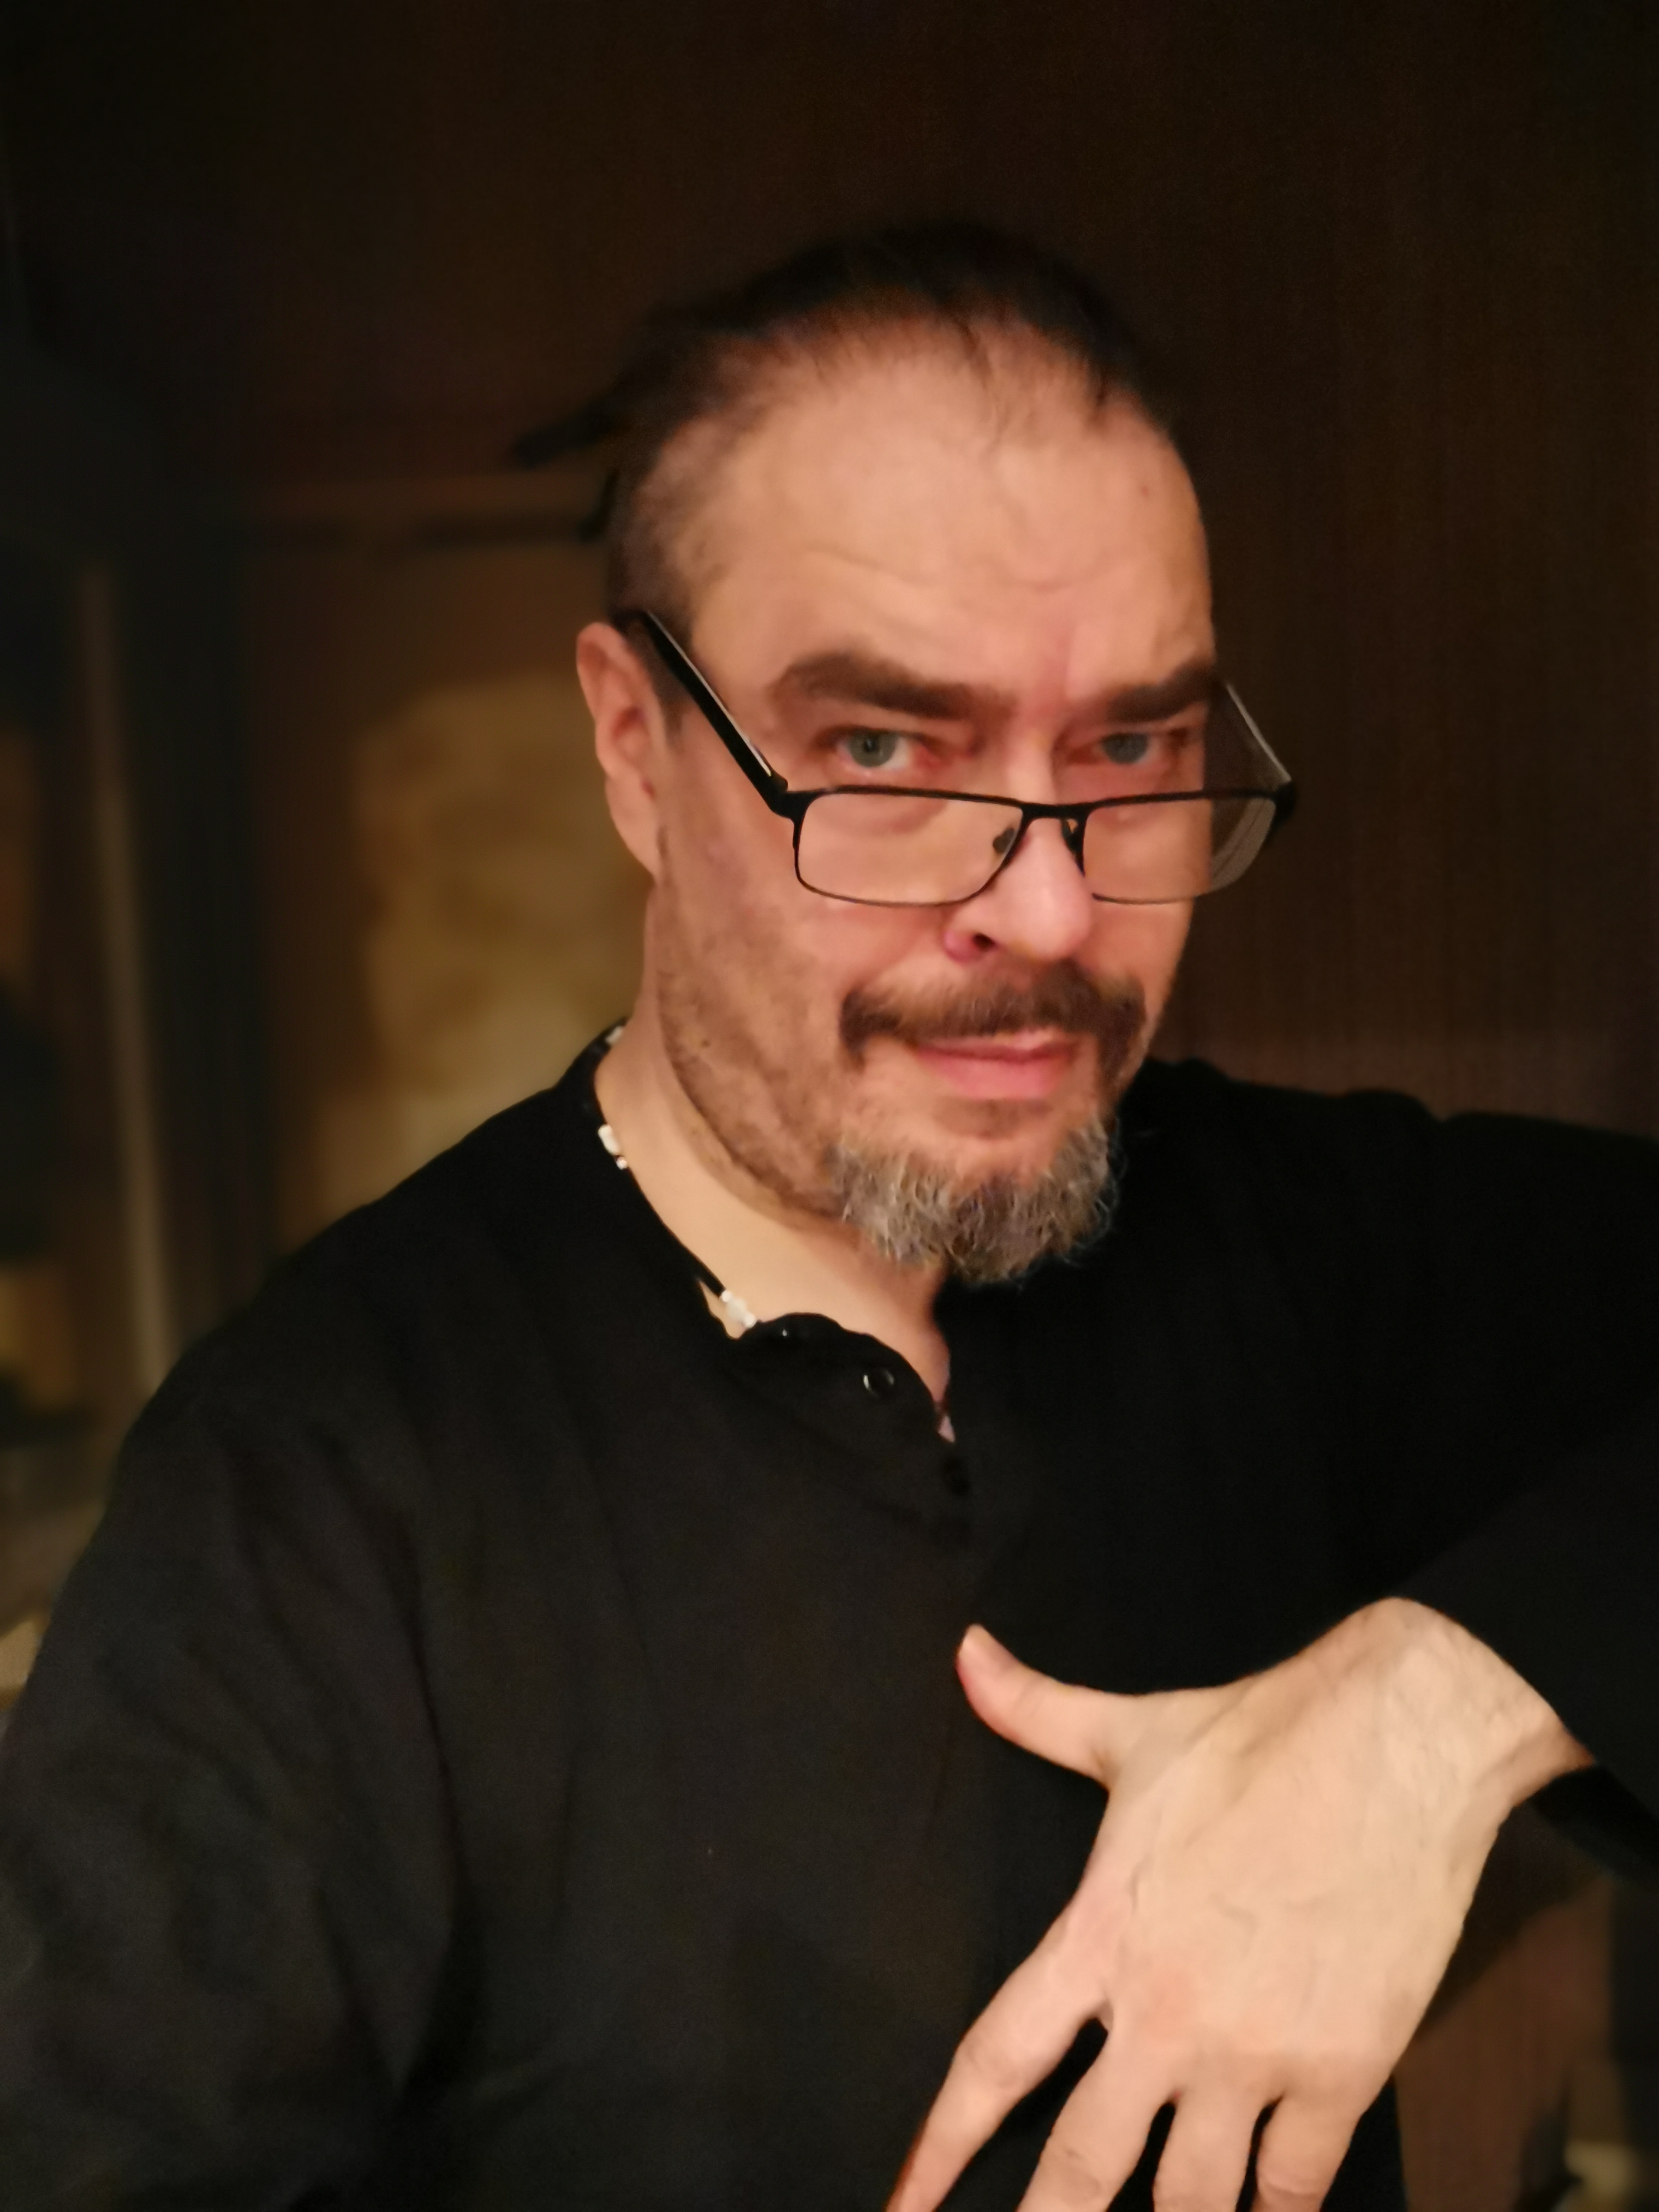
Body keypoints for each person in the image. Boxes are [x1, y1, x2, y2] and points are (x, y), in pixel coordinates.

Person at [2, 224, 1658, 2212]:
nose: (1049, 912)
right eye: (883, 752)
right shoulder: (306, 1500)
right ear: (636, 750)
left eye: (1131, 749)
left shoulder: (1298, 1247)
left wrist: (1440, 1711)